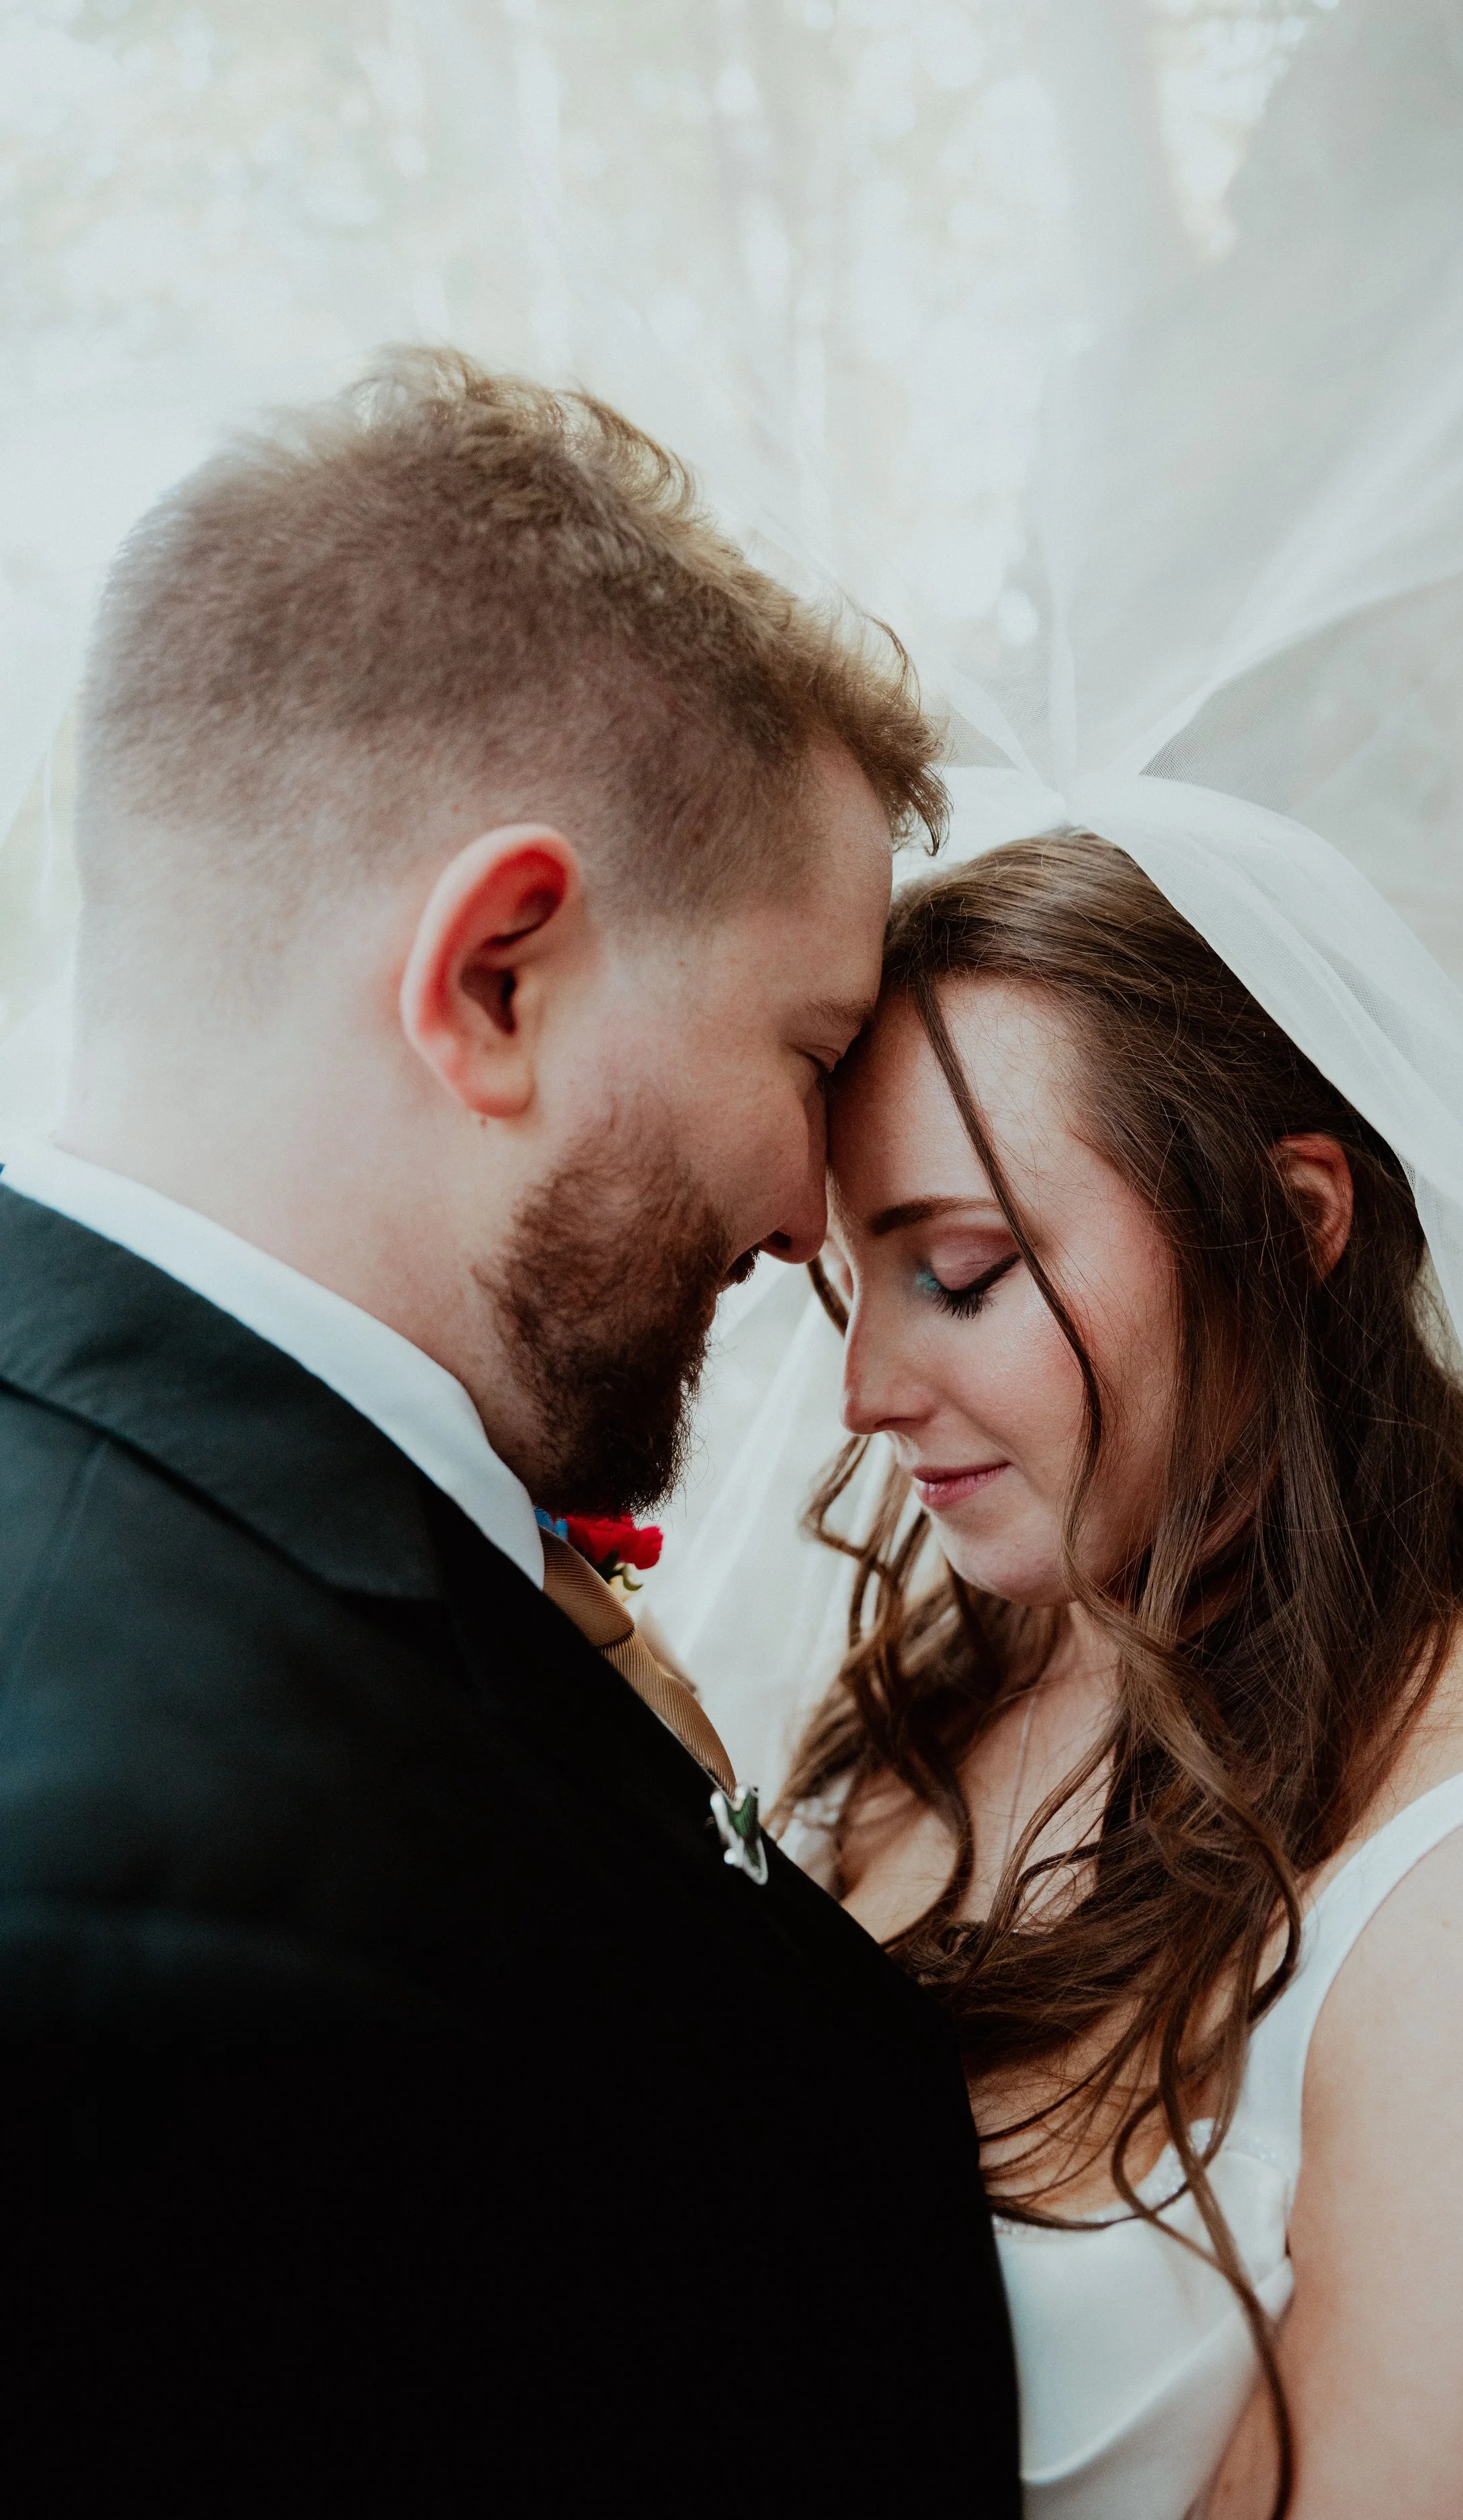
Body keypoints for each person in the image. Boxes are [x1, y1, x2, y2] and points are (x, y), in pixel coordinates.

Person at [0, 350, 1021, 2515]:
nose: (800, 1213)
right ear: (495, 979)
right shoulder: (125, 1913)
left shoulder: (262, 1553)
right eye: (805, 1043)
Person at [782, 828, 1463, 2519]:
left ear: (1287, 1222)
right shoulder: (940, 1694)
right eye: (844, 1286)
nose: (862, 1390)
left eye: (959, 1276)